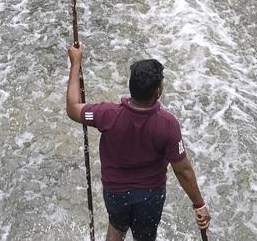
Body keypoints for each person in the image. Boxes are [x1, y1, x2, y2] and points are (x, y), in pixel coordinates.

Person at [65, 45, 211, 240]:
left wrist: (76, 63)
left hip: (116, 194)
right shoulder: (168, 125)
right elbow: (182, 170)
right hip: (150, 197)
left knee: (117, 225)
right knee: (145, 236)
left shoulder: (107, 115)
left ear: (131, 87)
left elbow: (73, 108)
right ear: (157, 91)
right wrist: (198, 204)